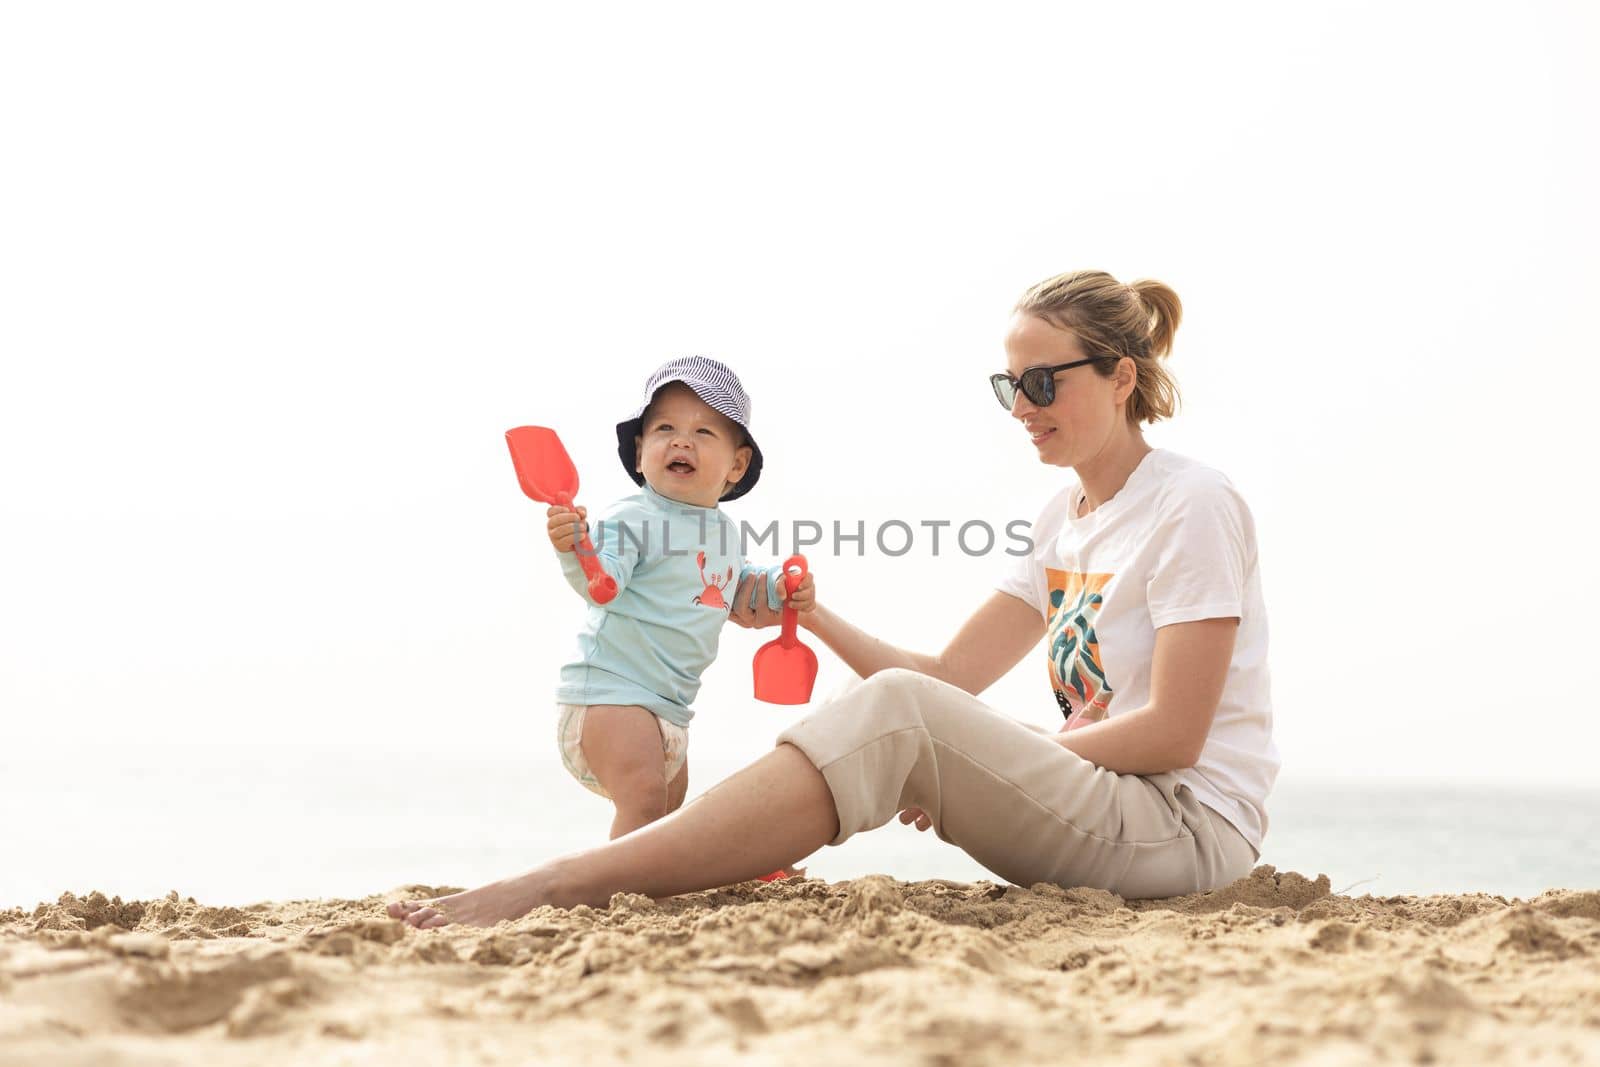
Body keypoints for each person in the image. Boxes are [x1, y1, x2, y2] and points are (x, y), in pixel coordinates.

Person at [389, 270, 1278, 928]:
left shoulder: (1190, 503)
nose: (1021, 406)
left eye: (1043, 383)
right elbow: (947, 678)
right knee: (885, 704)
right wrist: (809, 615)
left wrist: (1002, 752)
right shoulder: (1063, 518)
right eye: (1011, 386)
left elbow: (1174, 736)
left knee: (898, 714)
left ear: (1122, 377)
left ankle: (570, 880)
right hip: (1105, 803)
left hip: (1182, 828)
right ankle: (633, 868)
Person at [545, 356, 806, 840]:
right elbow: (603, 587)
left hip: (670, 709)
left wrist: (777, 588)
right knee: (643, 799)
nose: (682, 440)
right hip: (610, 696)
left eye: (705, 432)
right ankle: (620, 886)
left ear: (737, 464)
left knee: (666, 807)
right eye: (665, 427)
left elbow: (736, 598)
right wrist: (577, 547)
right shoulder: (632, 518)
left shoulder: (723, 534)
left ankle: (657, 883)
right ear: (642, 450)